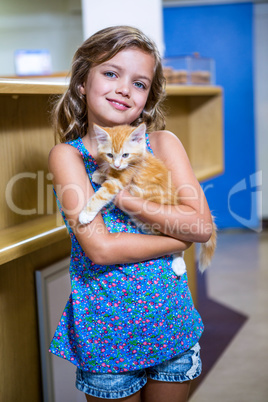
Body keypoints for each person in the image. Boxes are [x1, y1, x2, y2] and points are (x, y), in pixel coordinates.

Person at [48, 26, 213, 402]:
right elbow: (102, 249)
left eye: (139, 84)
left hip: (171, 324)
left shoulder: (163, 142)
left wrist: (124, 199)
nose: (124, 88)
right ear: (81, 84)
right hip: (107, 335)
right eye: (110, 73)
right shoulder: (69, 156)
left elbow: (201, 225)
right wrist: (178, 236)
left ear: (147, 99)